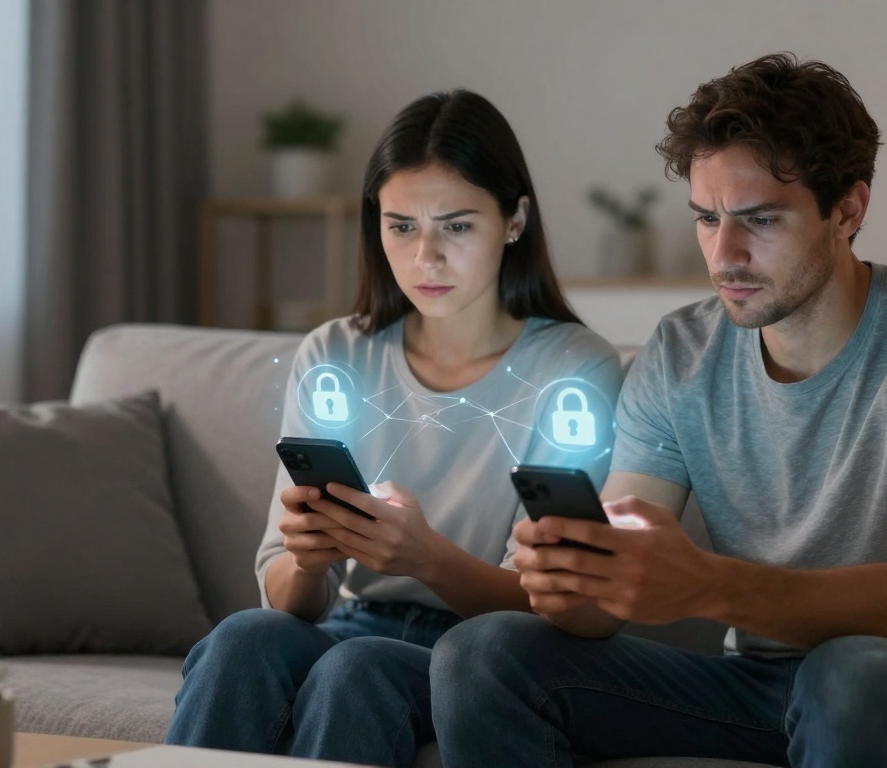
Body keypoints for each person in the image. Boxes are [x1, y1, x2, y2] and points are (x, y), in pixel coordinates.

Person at [430, 53, 887, 768]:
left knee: (850, 675)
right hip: (758, 687)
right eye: (707, 219)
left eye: (760, 220)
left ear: (847, 211)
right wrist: (574, 578)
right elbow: (599, 612)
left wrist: (706, 584)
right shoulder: (680, 353)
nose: (724, 254)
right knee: (483, 653)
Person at [164, 89, 623, 766]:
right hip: (352, 624)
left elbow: (548, 603)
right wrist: (310, 559)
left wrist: (426, 558)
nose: (425, 257)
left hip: (482, 652)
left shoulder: (573, 371)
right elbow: (285, 598)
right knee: (243, 638)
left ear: (515, 220)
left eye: (456, 226)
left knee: (359, 670)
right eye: (401, 226)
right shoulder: (334, 354)